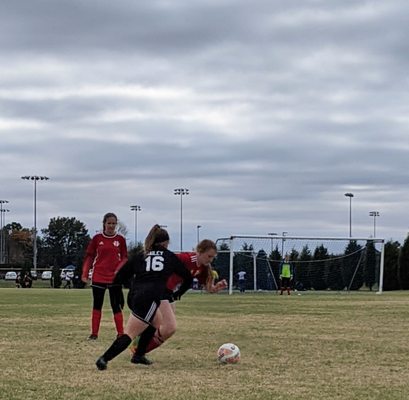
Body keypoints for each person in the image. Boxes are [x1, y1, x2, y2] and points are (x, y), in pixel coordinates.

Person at [95, 224, 192, 370]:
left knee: (157, 321)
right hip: (149, 297)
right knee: (130, 333)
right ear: (166, 242)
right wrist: (178, 294)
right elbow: (188, 278)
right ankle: (104, 359)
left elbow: (119, 277)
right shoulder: (169, 256)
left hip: (135, 294)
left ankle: (138, 355)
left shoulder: (141, 255)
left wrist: (118, 296)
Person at [130, 239, 227, 365]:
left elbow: (209, 289)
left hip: (168, 292)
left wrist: (217, 287)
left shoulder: (204, 268)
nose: (210, 260)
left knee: (162, 327)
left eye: (213, 257)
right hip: (158, 289)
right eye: (209, 256)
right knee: (169, 328)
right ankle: (137, 352)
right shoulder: (185, 258)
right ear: (199, 251)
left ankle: (138, 349)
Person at [81, 212, 128, 340]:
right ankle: (94, 334)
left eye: (113, 223)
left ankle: (120, 333)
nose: (111, 226)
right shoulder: (97, 239)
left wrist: (120, 269)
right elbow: (89, 257)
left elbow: (125, 257)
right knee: (97, 304)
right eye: (109, 223)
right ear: (104, 224)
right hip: (99, 275)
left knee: (116, 305)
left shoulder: (120, 240)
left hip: (114, 277)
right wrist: (85, 273)